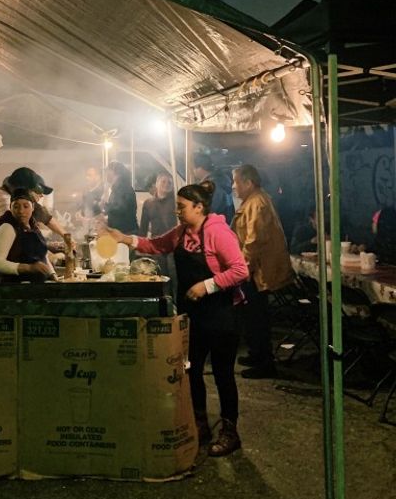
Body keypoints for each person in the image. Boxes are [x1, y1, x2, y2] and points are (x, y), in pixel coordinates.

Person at [106, 181, 249, 457]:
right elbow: (156, 245)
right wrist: (125, 238)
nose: (178, 212)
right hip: (193, 314)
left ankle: (230, 432)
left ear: (199, 207)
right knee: (191, 370)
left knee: (222, 374)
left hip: (221, 314)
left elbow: (240, 270)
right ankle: (200, 424)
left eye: (182, 207)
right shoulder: (182, 233)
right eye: (177, 207)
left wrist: (207, 285)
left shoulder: (219, 233)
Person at [231, 164, 295, 379]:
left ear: (248, 183)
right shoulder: (254, 201)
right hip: (257, 270)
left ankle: (264, 362)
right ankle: (257, 354)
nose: (233, 186)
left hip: (259, 272)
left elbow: (254, 240)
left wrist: (243, 267)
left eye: (236, 181)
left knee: (257, 317)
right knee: (253, 315)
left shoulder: (257, 204)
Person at [0, 166, 66, 253]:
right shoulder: (5, 202)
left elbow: (45, 217)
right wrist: (49, 252)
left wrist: (66, 237)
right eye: (37, 192)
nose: (41, 196)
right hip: (2, 256)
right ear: (23, 190)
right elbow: (18, 240)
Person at [0, 188, 57, 284]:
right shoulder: (7, 227)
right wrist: (29, 268)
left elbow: (42, 256)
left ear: (33, 207)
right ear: (10, 207)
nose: (21, 211)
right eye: (16, 207)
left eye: (26, 206)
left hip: (34, 285)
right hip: (13, 287)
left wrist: (52, 274)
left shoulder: (33, 226)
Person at [192, 154, 233, 222]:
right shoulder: (222, 179)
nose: (193, 171)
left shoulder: (210, 186)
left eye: (194, 168)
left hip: (215, 227)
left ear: (200, 168)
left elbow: (209, 211)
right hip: (226, 224)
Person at [103, 160, 138, 234]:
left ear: (115, 172)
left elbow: (121, 208)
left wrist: (105, 205)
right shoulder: (117, 188)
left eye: (108, 171)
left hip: (126, 233)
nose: (106, 174)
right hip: (122, 232)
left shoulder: (122, 187)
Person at [139, 172, 176, 237]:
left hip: (173, 242)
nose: (166, 184)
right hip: (156, 242)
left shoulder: (177, 203)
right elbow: (143, 229)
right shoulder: (148, 203)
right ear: (156, 184)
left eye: (169, 183)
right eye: (163, 181)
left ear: (172, 186)